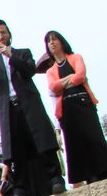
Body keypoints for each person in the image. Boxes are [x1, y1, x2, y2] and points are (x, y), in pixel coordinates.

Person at [0, 19, 65, 196]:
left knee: (41, 142)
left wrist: (11, 55)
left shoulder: (22, 53)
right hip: (8, 108)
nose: (0, 36)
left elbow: (29, 71)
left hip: (28, 104)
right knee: (17, 150)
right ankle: (20, 188)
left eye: (3, 33)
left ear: (9, 34)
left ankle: (55, 178)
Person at [44, 30, 107, 186]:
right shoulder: (51, 70)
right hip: (66, 109)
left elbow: (81, 75)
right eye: (49, 41)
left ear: (61, 41)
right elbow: (53, 86)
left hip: (83, 102)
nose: (52, 43)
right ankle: (89, 176)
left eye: (54, 39)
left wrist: (64, 84)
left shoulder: (75, 57)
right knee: (76, 143)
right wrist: (70, 79)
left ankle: (103, 171)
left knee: (94, 137)